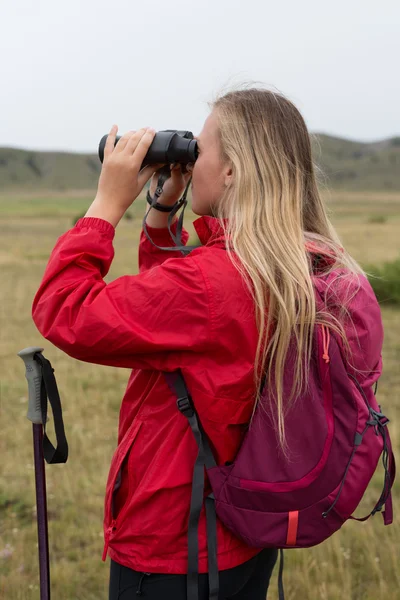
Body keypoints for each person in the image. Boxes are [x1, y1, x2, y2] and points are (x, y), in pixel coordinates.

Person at [31, 87, 366, 599]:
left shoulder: (215, 282)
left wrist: (104, 206)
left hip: (175, 545)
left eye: (200, 149)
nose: (192, 158)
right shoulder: (293, 262)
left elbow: (65, 311)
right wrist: (163, 212)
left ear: (231, 172)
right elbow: (183, 324)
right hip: (241, 530)